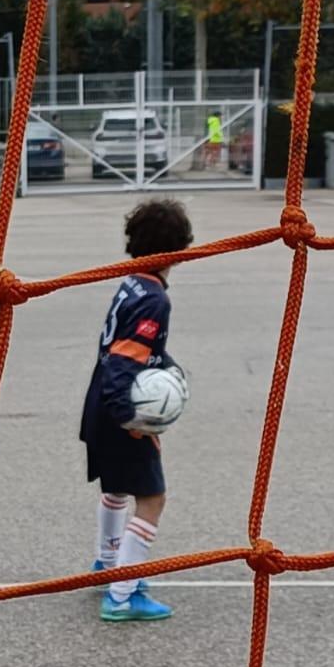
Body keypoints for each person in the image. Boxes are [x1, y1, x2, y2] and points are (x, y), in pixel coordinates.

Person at [82, 198, 194, 623]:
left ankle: (107, 565)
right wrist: (131, 417)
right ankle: (124, 594)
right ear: (179, 249)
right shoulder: (154, 299)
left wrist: (164, 364)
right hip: (117, 410)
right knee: (152, 498)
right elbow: (123, 362)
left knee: (115, 489)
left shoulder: (132, 282)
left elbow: (125, 349)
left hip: (98, 406)